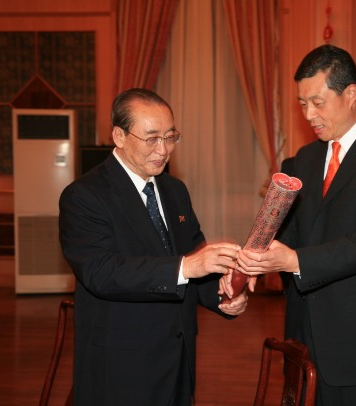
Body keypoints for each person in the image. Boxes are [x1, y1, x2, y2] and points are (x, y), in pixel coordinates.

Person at [234, 45, 356, 405]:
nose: (308, 114)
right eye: (302, 103)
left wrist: (294, 261)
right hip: (303, 335)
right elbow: (284, 235)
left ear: (350, 94)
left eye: (317, 102)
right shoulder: (302, 160)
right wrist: (249, 267)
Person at [59, 88, 248, 405]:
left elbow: (196, 260)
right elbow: (100, 271)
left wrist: (225, 295)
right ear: (119, 136)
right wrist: (186, 266)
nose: (163, 150)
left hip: (178, 360)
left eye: (170, 137)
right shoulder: (85, 196)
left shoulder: (175, 190)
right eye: (151, 139)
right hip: (121, 365)